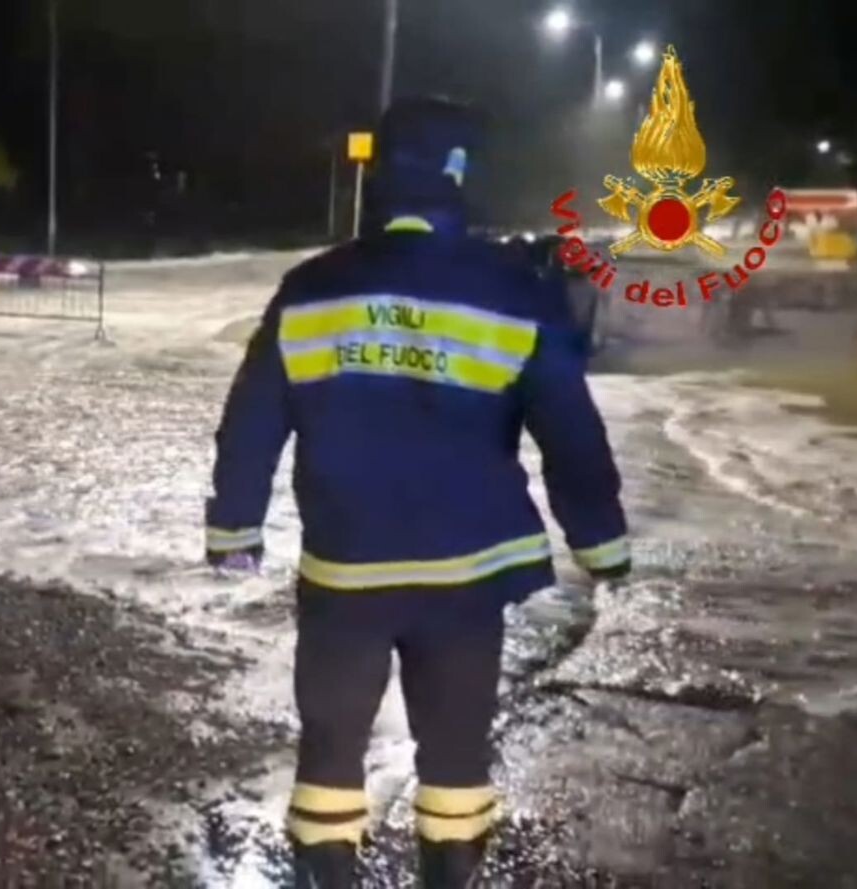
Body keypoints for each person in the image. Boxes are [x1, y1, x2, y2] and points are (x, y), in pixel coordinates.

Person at [203, 97, 631, 888]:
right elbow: (572, 432)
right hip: (465, 578)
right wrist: (601, 542)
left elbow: (250, 422)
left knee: (330, 749)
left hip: (345, 573)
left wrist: (235, 529)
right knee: (457, 755)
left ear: (379, 178)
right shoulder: (512, 292)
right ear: (461, 176)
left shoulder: (312, 288)